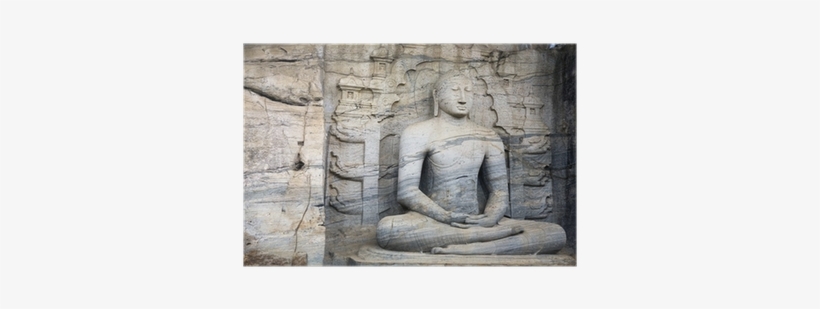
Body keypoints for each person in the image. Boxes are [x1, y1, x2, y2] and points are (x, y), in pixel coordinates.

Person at [376, 71, 566, 255]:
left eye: (468, 91)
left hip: (479, 221)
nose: (462, 98)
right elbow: (407, 192)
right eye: (455, 90)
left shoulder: (487, 136)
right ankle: (489, 240)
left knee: (555, 234)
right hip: (433, 220)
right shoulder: (418, 132)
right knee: (388, 230)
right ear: (437, 95)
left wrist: (490, 218)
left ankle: (471, 245)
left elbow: (499, 192)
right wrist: (445, 216)